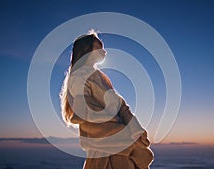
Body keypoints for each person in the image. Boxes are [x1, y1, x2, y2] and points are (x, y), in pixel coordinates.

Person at [60, 30, 153, 169]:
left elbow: (119, 103)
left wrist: (134, 128)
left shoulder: (99, 76)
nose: (104, 52)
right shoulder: (79, 77)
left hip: (114, 142)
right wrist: (123, 132)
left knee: (140, 156)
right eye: (99, 47)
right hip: (104, 144)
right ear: (87, 50)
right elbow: (85, 111)